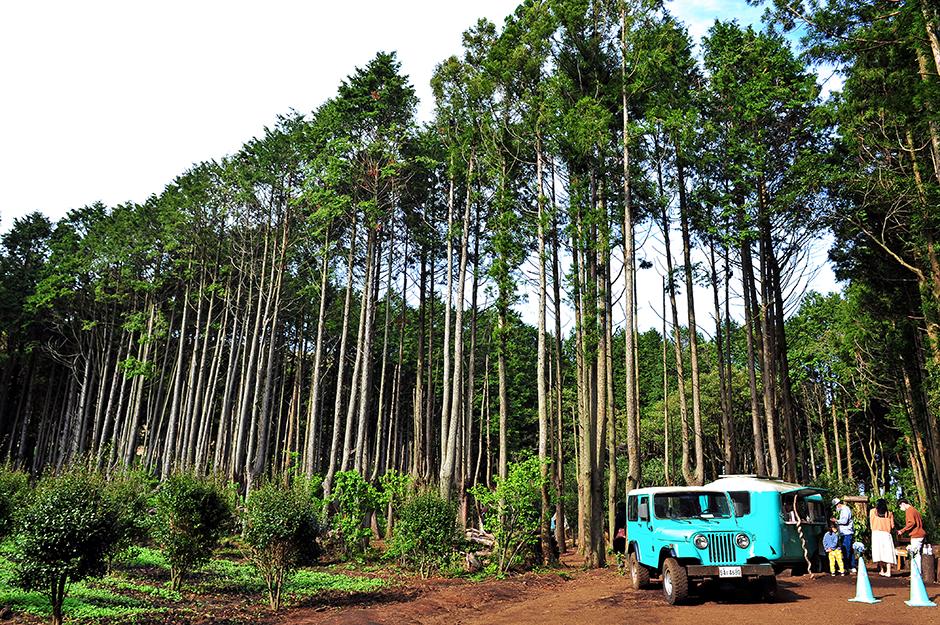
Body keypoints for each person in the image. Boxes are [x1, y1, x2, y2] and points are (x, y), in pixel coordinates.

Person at [898, 498, 927, 571]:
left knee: (915, 554)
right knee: (917, 554)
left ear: (903, 504)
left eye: (900, 506)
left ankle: (917, 573)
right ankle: (917, 572)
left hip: (916, 535)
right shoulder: (915, 510)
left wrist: (902, 530)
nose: (901, 508)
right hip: (920, 534)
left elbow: (912, 522)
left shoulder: (909, 511)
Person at [869, 498, 895, 577]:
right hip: (886, 534)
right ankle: (889, 571)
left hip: (876, 533)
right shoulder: (889, 513)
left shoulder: (872, 512)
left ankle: (882, 570)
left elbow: (871, 523)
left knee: (878, 552)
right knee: (888, 552)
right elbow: (892, 526)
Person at [831, 498, 857, 573]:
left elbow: (845, 521)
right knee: (849, 550)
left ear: (838, 504)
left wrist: (836, 521)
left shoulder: (845, 510)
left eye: (835, 506)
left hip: (846, 533)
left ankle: (847, 567)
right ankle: (852, 566)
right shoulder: (843, 510)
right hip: (844, 533)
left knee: (846, 550)